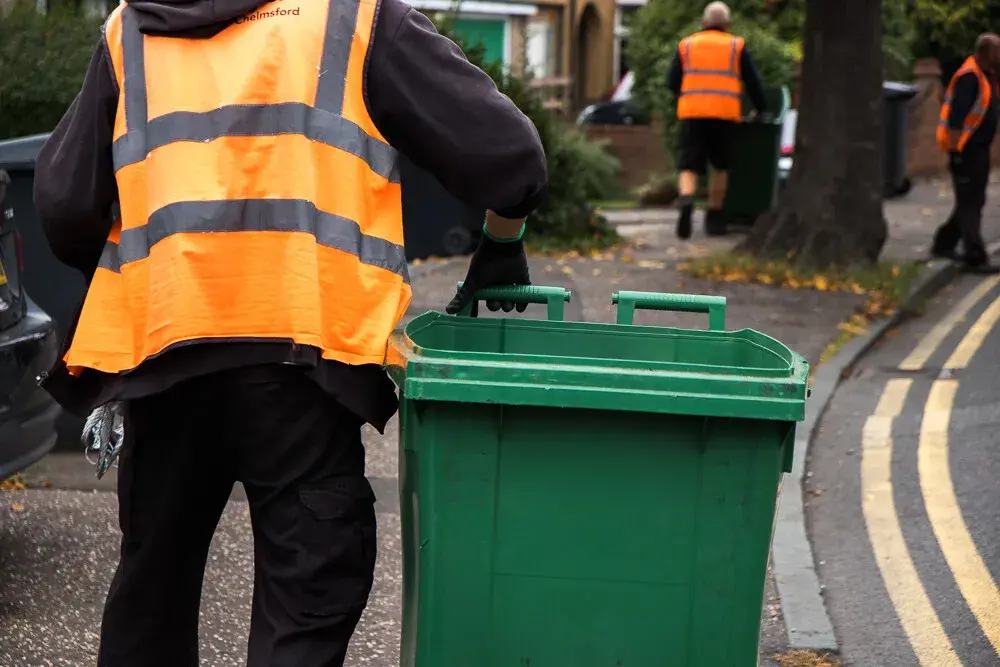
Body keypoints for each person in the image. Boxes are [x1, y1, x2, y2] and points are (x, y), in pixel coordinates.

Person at [32, 0, 546, 663]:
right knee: (306, 595)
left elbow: (64, 204)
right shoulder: (354, 17)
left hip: (164, 356)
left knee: (151, 592)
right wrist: (503, 241)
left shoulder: (129, 28)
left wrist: (144, 275)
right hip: (300, 364)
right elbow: (511, 159)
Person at [666, 1, 767, 239]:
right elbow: (753, 83)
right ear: (728, 24)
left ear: (703, 23)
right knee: (720, 167)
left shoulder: (686, 46)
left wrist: (687, 96)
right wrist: (760, 108)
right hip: (724, 114)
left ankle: (687, 201)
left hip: (693, 113)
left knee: (689, 164)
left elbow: (671, 82)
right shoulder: (736, 46)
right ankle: (714, 217)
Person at [932, 33, 1000, 274]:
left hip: (977, 150)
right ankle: (975, 256)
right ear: (986, 51)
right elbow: (955, 118)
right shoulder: (969, 77)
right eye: (997, 51)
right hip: (965, 151)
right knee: (971, 201)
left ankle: (944, 243)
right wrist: (955, 152)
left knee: (971, 199)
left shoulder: (986, 76)